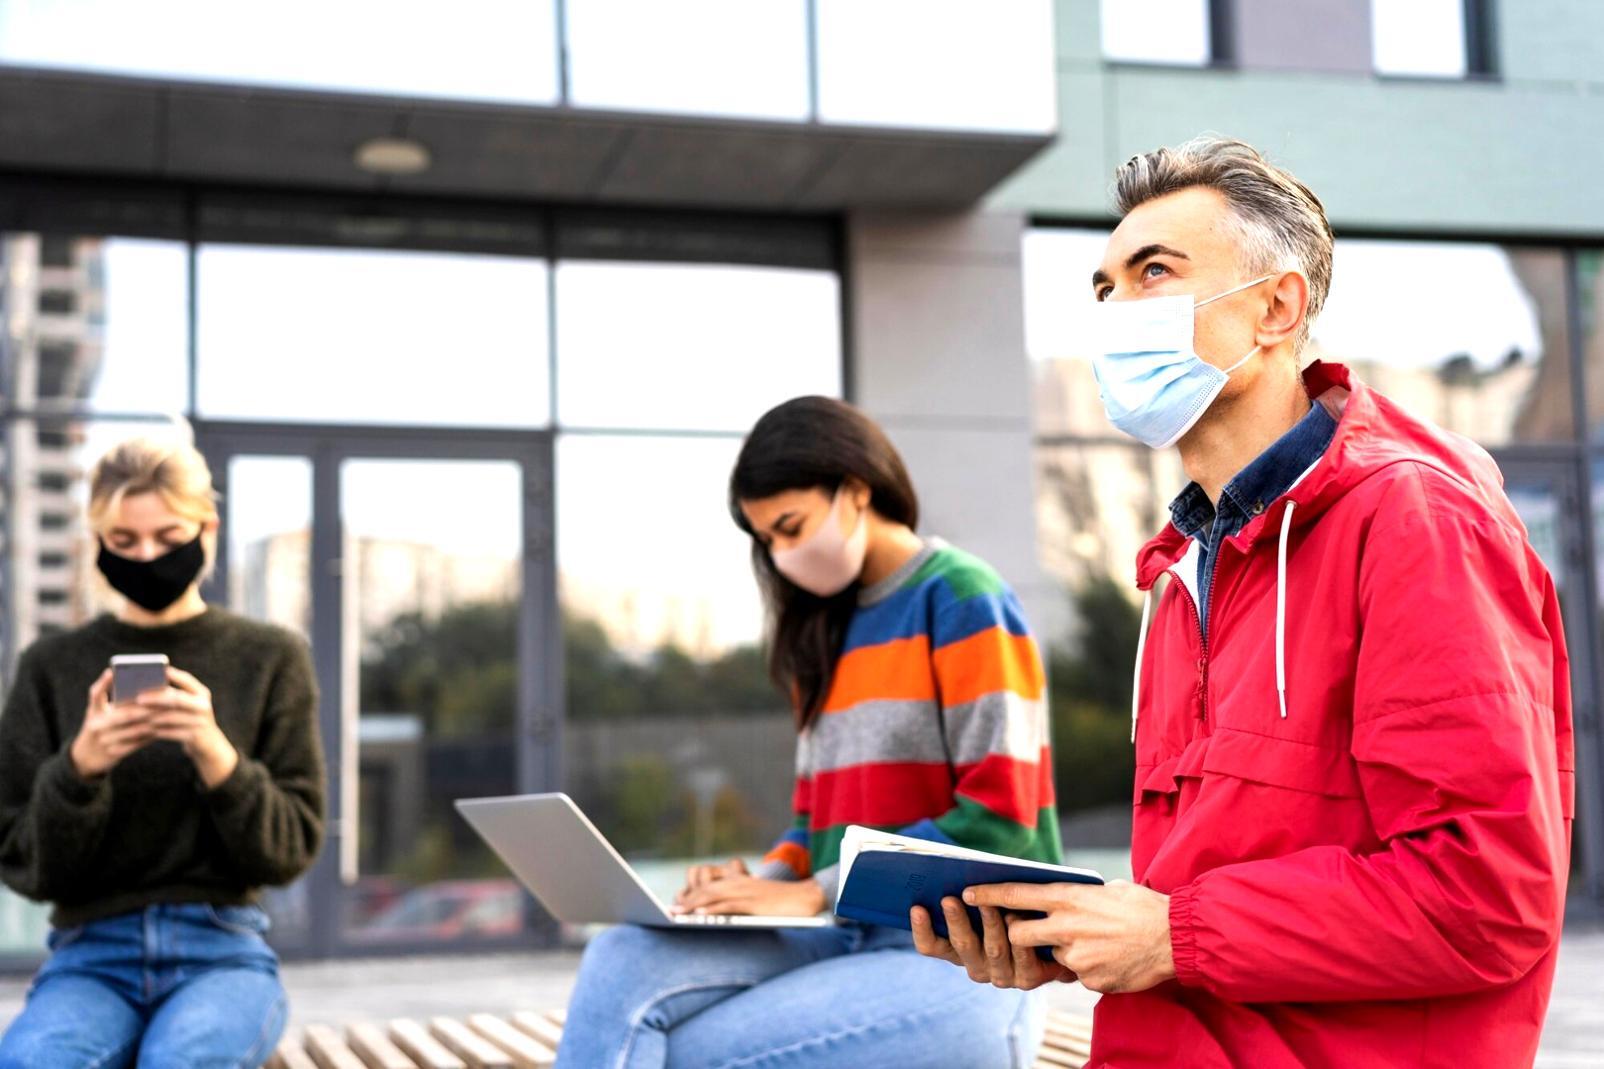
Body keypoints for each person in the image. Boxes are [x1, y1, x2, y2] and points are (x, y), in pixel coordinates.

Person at [912, 136, 1574, 1068]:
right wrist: (1086, 936)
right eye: (1104, 288)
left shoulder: (1415, 520)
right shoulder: (1181, 569)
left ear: (1277, 307)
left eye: (1153, 272)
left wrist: (1173, 934)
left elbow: (1487, 894)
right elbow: (1200, 890)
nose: (1116, 310)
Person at [556, 396, 1062, 1068]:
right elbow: (812, 829)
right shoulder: (823, 633)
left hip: (962, 961)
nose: (781, 553)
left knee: (679, 1053)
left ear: (855, 489)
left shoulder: (963, 597)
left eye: (790, 526)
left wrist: (815, 889)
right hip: (839, 935)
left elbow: (1004, 822)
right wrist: (751, 888)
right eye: (766, 539)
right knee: (618, 953)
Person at [0, 435, 326, 1069]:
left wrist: (214, 754)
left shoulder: (270, 657)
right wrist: (79, 771)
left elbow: (289, 851)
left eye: (168, 536)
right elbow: (24, 864)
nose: (147, 556)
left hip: (222, 950)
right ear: (97, 540)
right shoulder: (50, 666)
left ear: (208, 529)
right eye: (123, 541)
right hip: (90, 955)